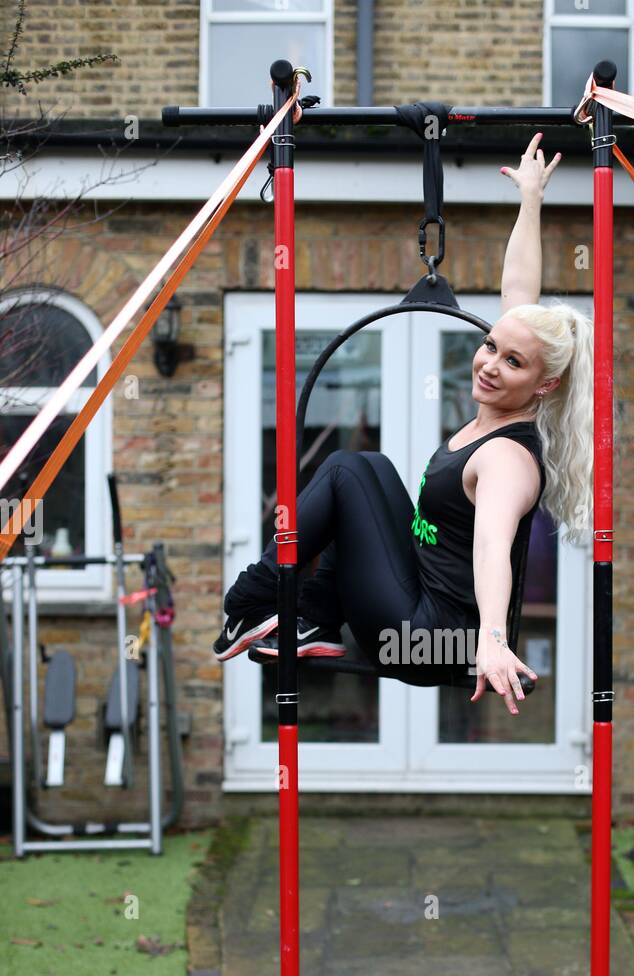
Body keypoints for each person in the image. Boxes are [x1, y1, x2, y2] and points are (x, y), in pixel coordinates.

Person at [214, 132, 593, 716]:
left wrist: (493, 639)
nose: (489, 364)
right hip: (417, 616)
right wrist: (531, 200)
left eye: (512, 362)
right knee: (369, 470)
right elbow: (519, 289)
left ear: (543, 386)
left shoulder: (507, 460)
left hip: (428, 640)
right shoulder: (498, 413)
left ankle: (251, 599)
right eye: (491, 346)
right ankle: (312, 617)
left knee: (345, 471)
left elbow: (494, 544)